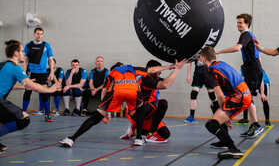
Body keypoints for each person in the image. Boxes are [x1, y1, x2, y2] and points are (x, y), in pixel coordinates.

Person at [58, 59, 186, 148]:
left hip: (117, 92)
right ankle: (140, 137)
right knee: (142, 106)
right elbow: (154, 72)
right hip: (132, 94)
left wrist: (105, 113)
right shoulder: (135, 70)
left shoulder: (113, 73)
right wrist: (172, 67)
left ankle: (71, 138)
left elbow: (105, 90)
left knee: (95, 117)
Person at [200, 46, 263, 159]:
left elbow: (219, 95)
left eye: (200, 57)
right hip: (244, 94)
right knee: (217, 110)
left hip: (239, 96)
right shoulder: (222, 64)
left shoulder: (210, 71)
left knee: (212, 124)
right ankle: (224, 141)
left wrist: (225, 113)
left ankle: (233, 148)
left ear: (203, 58)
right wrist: (224, 113)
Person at [0, 40, 61, 154]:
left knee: (5, 120)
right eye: (22, 51)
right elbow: (35, 87)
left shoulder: (3, 65)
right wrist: (50, 89)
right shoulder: (15, 68)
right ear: (15, 53)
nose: (24, 54)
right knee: (24, 119)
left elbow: (7, 85)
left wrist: (24, 86)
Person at [215, 13, 264, 132]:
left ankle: (256, 125)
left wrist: (219, 51)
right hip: (251, 69)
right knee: (248, 96)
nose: (238, 25)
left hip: (252, 70)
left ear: (247, 24)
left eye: (240, 23)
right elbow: (257, 55)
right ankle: (254, 124)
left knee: (248, 97)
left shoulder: (246, 35)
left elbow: (237, 48)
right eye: (237, 23)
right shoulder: (248, 36)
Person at [130, 59, 186, 145]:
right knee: (162, 103)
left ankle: (140, 131)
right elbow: (165, 84)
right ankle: (142, 135)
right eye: (159, 72)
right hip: (139, 112)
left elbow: (166, 80)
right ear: (152, 70)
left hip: (149, 112)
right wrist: (177, 69)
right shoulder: (146, 80)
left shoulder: (152, 78)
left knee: (165, 134)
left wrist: (173, 67)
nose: (160, 74)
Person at [22, 27, 55, 122]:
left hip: (42, 74)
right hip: (31, 73)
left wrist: (52, 72)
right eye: (37, 33)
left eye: (41, 34)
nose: (39, 35)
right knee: (27, 92)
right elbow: (25, 60)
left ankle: (47, 115)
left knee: (45, 94)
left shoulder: (46, 45)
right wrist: (24, 74)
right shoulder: (28, 45)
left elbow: (50, 60)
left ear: (42, 35)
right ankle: (23, 113)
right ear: (34, 34)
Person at [184, 57, 219, 123]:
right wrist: (188, 75)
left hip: (208, 73)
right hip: (198, 74)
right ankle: (191, 116)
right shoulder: (196, 51)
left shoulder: (208, 49)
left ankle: (217, 116)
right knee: (193, 94)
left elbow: (214, 61)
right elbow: (189, 62)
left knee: (212, 96)